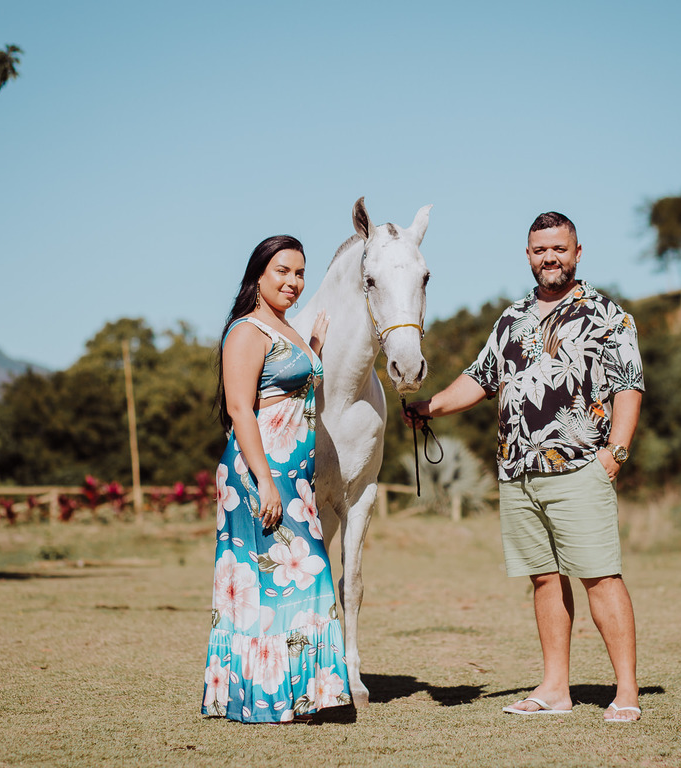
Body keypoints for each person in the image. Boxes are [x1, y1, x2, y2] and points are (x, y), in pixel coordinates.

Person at [404, 212, 645, 722]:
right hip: (517, 472)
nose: (549, 258)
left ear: (578, 252)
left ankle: (627, 692)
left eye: (559, 248)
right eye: (540, 250)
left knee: (600, 577)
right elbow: (479, 378)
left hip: (582, 467)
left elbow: (629, 387)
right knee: (543, 578)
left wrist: (615, 455)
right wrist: (430, 407)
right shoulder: (510, 320)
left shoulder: (607, 314)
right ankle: (556, 688)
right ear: (528, 255)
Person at [202, 235, 351, 723]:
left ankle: (298, 697)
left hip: (295, 474)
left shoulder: (284, 328)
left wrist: (314, 351)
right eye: (282, 271)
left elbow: (288, 389)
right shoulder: (246, 331)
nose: (293, 281)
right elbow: (240, 410)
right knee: (282, 578)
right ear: (258, 276)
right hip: (259, 472)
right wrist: (265, 481)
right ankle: (269, 698)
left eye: (300, 272)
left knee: (295, 580)